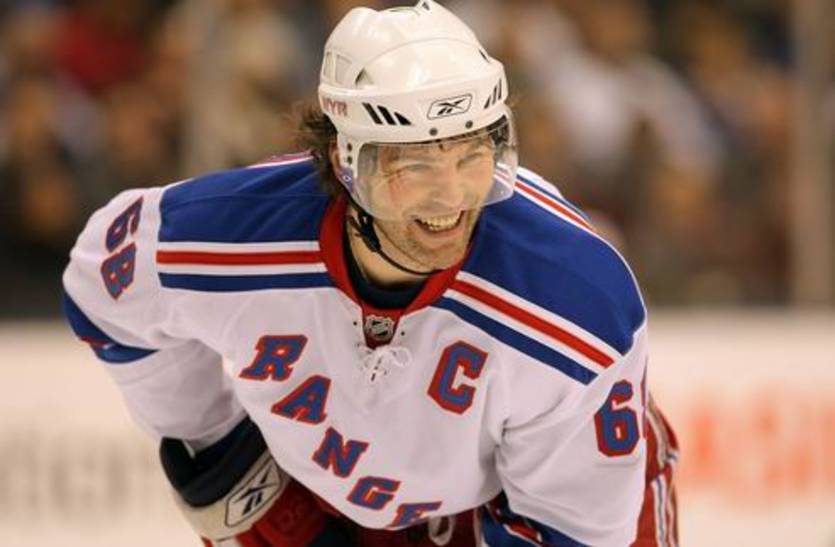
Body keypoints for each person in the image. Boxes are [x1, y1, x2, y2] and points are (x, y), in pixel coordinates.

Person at [62, 1, 679, 545]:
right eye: (415, 165)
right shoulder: (233, 231)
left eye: (471, 156)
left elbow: (574, 531)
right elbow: (103, 284)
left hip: (556, 513)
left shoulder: (573, 301)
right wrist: (219, 444)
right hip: (333, 496)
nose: (450, 199)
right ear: (345, 160)